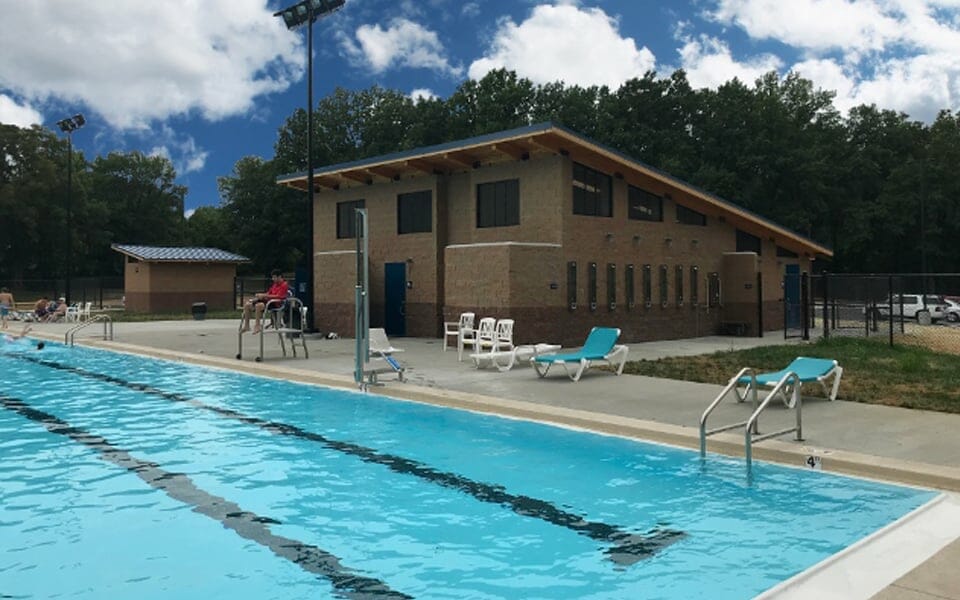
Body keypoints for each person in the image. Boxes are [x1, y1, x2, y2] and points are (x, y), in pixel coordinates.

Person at [240, 270, 289, 334]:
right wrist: (261, 296)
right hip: (269, 301)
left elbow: (279, 296)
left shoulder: (284, 285)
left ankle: (257, 325)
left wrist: (265, 296)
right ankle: (247, 326)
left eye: (274, 277)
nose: (273, 279)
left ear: (279, 277)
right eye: (272, 277)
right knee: (247, 305)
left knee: (258, 306)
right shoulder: (274, 285)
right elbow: (269, 293)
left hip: (276, 303)